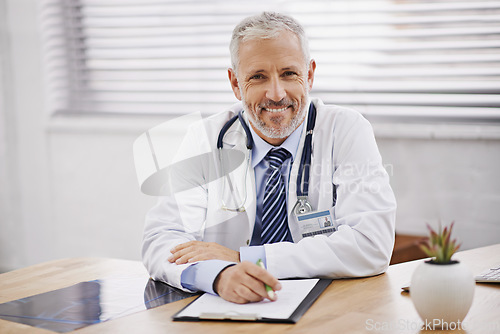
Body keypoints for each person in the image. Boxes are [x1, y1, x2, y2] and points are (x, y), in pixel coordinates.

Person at [142, 12, 396, 304]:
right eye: (258, 76)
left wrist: (244, 258)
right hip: (232, 310)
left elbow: (370, 244)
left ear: (310, 75)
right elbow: (161, 239)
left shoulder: (346, 130)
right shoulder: (205, 138)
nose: (276, 94)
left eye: (289, 73)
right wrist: (219, 275)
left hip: (330, 306)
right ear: (235, 83)